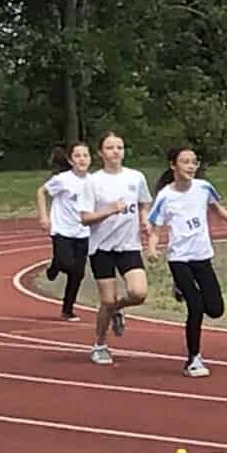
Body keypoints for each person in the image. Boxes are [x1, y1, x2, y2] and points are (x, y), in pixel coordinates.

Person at [148, 145, 227, 378]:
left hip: (202, 255)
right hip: (179, 258)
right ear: (173, 165)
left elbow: (218, 209)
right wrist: (152, 248)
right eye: (185, 162)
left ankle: (180, 289)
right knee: (195, 306)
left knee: (215, 310)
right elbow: (155, 229)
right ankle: (193, 359)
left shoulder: (203, 188)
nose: (190, 166)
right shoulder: (165, 196)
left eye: (194, 162)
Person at [77, 131, 153, 366]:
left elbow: (144, 203)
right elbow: (85, 218)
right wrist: (110, 210)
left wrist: (145, 219)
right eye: (110, 148)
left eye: (119, 147)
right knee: (106, 301)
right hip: (102, 248)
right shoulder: (92, 182)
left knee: (138, 293)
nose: (116, 152)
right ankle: (100, 344)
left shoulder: (136, 177)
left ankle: (117, 310)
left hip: (128, 245)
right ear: (100, 153)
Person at [35, 142, 92, 320]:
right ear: (70, 160)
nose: (82, 159)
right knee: (67, 264)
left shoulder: (93, 181)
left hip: (83, 232)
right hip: (62, 230)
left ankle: (67, 309)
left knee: (78, 274)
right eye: (77, 156)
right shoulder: (62, 179)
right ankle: (56, 265)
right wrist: (44, 216)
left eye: (85, 155)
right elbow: (41, 192)